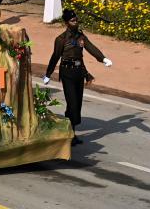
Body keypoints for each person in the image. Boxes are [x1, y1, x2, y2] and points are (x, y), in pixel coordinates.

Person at [43, 9, 112, 145]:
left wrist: (103, 59)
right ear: (66, 23)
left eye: (76, 20)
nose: (75, 22)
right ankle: (68, 133)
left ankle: (72, 134)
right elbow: (55, 57)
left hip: (79, 72)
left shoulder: (81, 37)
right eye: (72, 21)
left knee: (77, 104)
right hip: (67, 73)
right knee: (72, 104)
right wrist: (48, 74)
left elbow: (92, 48)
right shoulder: (61, 40)